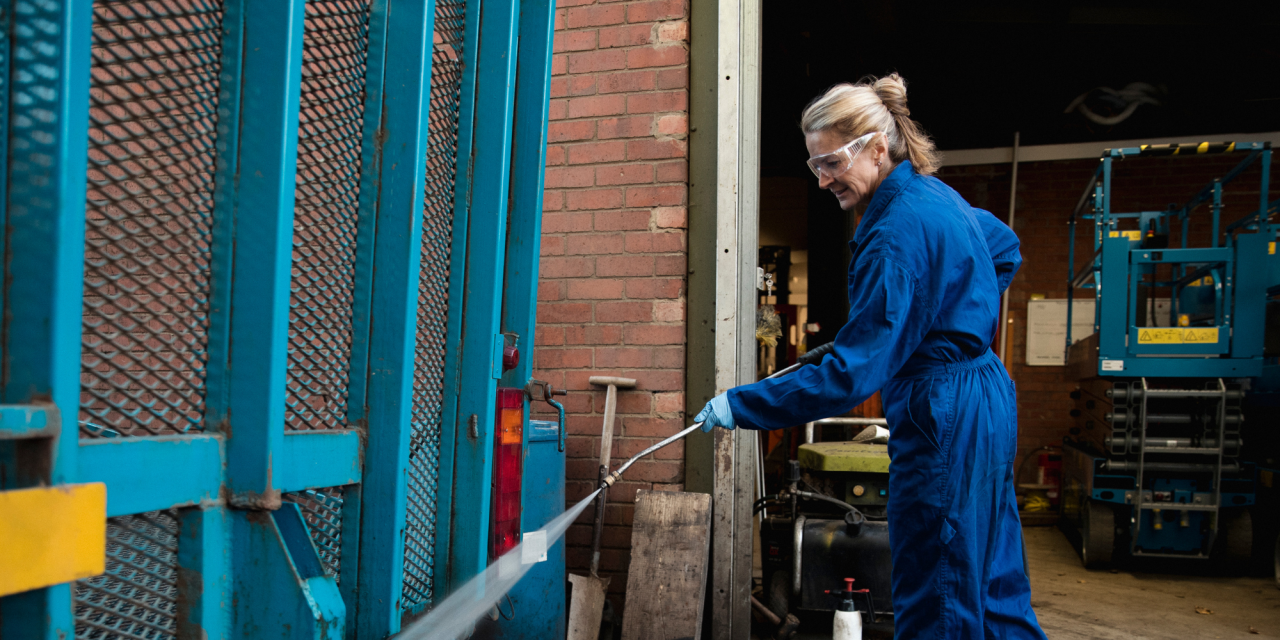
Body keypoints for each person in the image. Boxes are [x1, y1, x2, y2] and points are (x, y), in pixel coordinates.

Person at [695, 74, 1047, 639]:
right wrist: (944, 312)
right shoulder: (932, 194)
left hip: (945, 409)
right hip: (984, 395)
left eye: (831, 163)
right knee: (994, 579)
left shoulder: (893, 233)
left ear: (876, 148)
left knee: (940, 588)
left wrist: (742, 404)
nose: (821, 180)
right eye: (815, 166)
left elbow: (851, 374)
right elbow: (1002, 245)